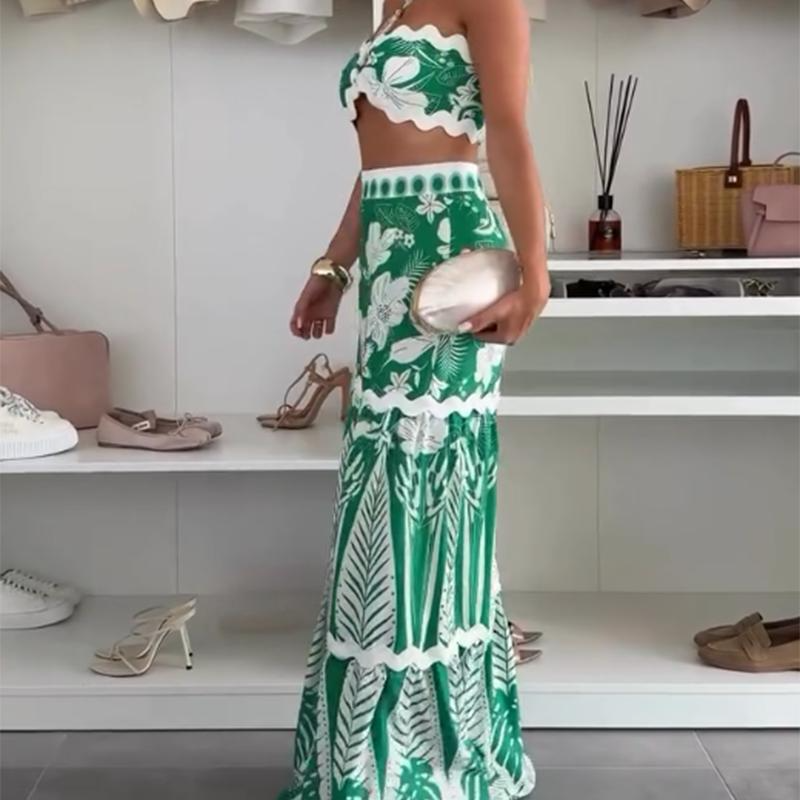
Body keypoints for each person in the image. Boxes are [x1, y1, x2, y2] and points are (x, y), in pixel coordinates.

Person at [278, 0, 549, 795]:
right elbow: (377, 169)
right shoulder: (392, 5)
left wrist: (537, 276)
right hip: (388, 270)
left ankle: (426, 764)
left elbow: (510, 131)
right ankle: (369, 758)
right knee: (380, 497)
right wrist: (334, 268)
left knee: (424, 491)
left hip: (448, 263)